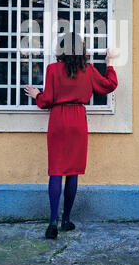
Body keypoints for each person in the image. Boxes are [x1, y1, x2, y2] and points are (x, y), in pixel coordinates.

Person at [24, 32, 118, 239]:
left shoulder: (52, 69)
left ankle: (52, 221)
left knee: (56, 170)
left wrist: (36, 95)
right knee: (72, 171)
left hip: (58, 119)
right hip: (77, 120)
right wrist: (109, 63)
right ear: (82, 50)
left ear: (61, 49)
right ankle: (66, 220)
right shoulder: (89, 70)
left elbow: (47, 100)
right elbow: (109, 86)